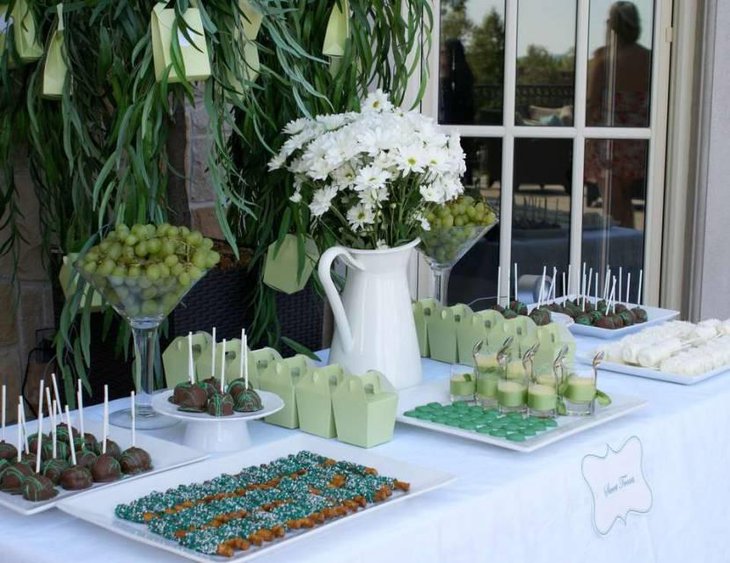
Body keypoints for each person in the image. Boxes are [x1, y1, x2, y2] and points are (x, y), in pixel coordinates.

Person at [585, 2, 651, 228]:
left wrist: (585, 142)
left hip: (609, 141)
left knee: (612, 206)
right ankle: (631, 248)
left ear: (613, 25)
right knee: (626, 202)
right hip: (637, 142)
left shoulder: (604, 59)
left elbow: (592, 103)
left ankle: (618, 253)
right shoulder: (649, 58)